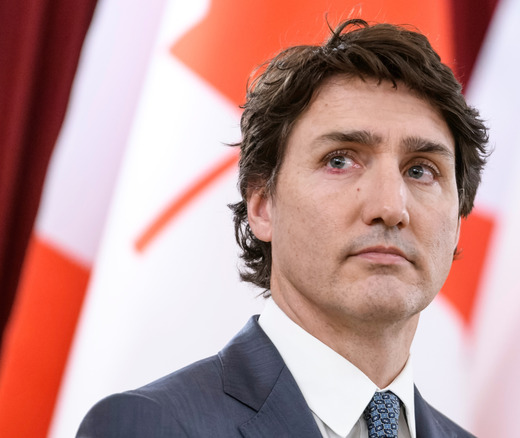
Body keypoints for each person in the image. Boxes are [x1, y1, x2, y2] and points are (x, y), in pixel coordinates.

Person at [78, 18, 488, 438]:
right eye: (339, 160)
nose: (389, 206)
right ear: (262, 206)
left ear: (457, 222)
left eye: (420, 170)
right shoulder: (147, 427)